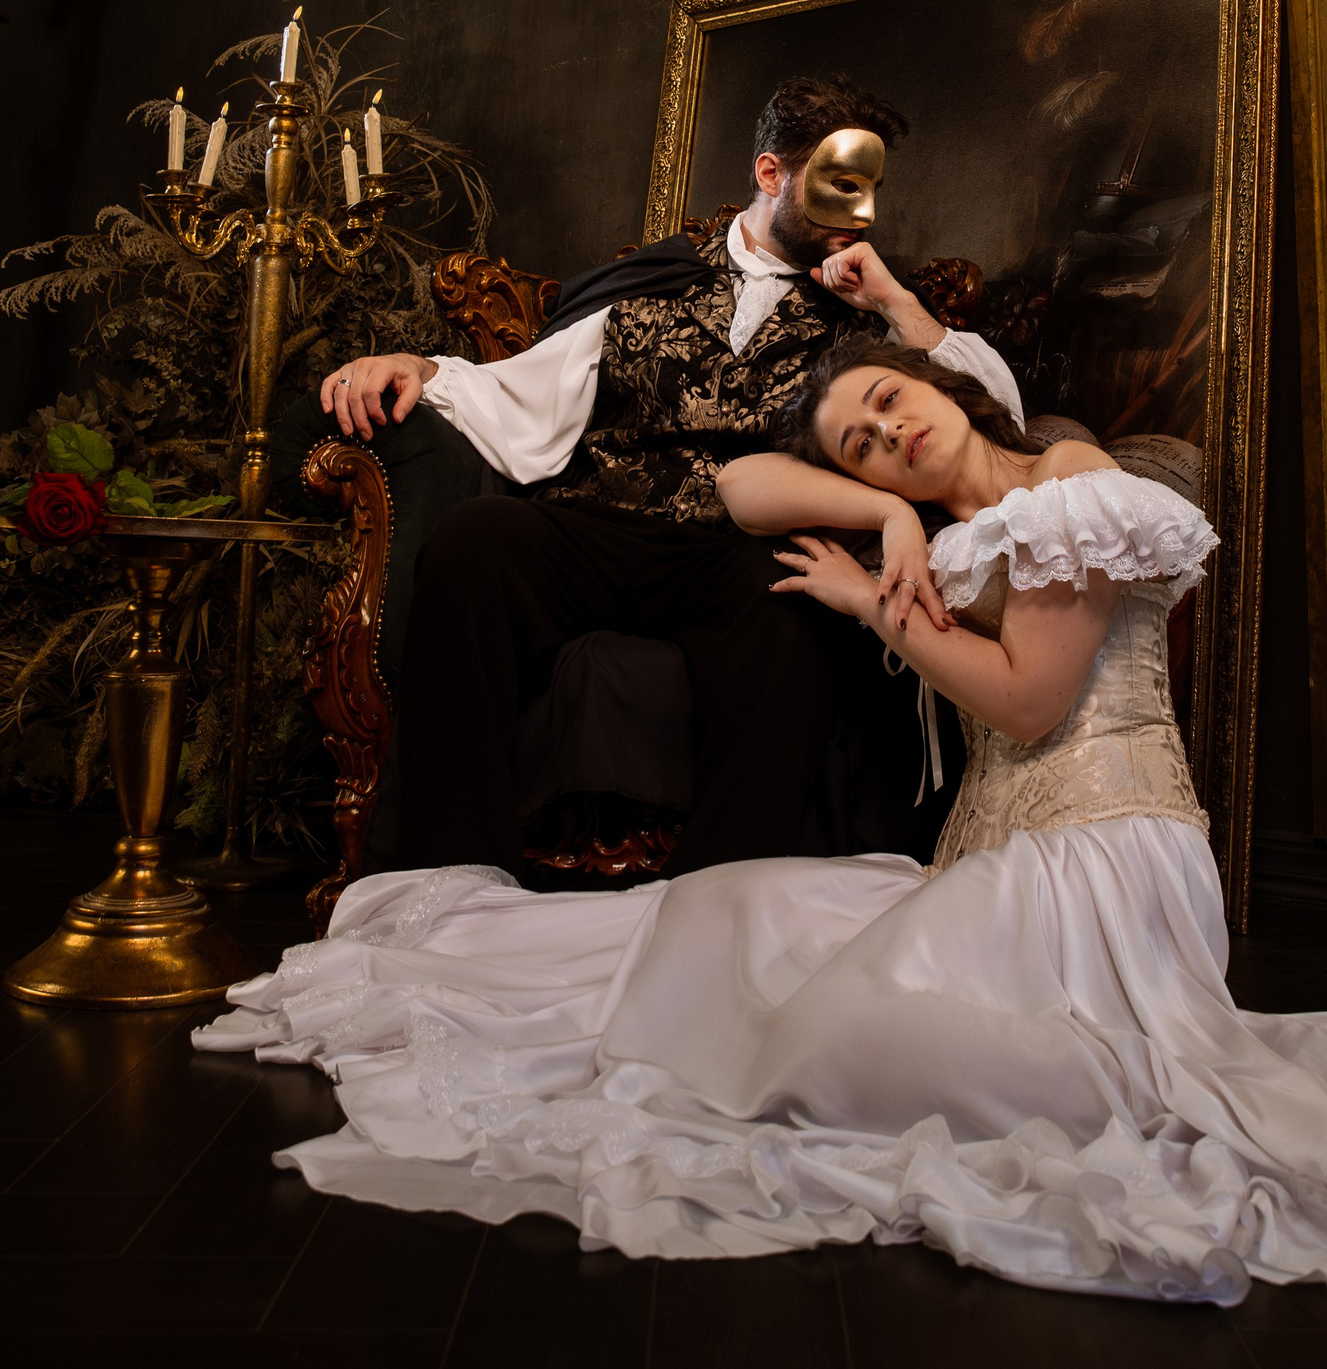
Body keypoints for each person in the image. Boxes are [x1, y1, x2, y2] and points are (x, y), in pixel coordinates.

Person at [199, 340, 1327, 1306]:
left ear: (944, 388)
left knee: (822, 1038)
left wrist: (883, 609)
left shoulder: (1071, 480)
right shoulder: (938, 524)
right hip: (1003, 855)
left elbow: (1027, 700)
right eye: (858, 442)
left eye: (890, 408)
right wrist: (877, 516)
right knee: (736, 912)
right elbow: (740, 490)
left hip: (1100, 854)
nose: (885, 438)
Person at [315, 73, 1024, 877]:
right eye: (839, 185)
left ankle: (719, 897)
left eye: (872, 191)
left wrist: (893, 299)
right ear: (771, 174)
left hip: (737, 552)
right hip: (603, 529)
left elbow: (994, 414)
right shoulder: (652, 284)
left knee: (795, 613)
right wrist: (418, 366)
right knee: (475, 540)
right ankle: (446, 875)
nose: (861, 213)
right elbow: (522, 387)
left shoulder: (866, 324)